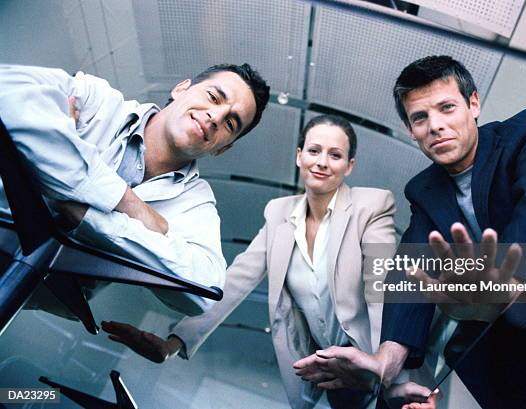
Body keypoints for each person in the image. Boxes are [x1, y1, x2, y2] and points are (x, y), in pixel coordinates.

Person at [301, 55, 526, 408]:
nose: (435, 126)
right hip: (513, 353)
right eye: (420, 118)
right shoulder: (424, 190)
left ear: (473, 103)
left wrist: (503, 279)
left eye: (446, 107)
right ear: (411, 130)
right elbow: (409, 270)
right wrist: (386, 360)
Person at [101, 114, 401, 408]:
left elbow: (383, 285)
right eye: (314, 151)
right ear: (299, 156)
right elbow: (234, 283)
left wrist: (382, 364)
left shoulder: (372, 205)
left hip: (370, 357)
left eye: (335, 155)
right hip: (317, 368)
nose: (322, 161)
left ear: (349, 166)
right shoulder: (278, 214)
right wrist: (174, 343)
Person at [0, 63, 270, 314]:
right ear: (180, 89)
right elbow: (7, 91)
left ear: (222, 148)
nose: (216, 116)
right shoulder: (97, 101)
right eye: (213, 97)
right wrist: (129, 205)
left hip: (18, 294)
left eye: (230, 124)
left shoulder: (196, 203)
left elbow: (204, 291)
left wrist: (85, 215)